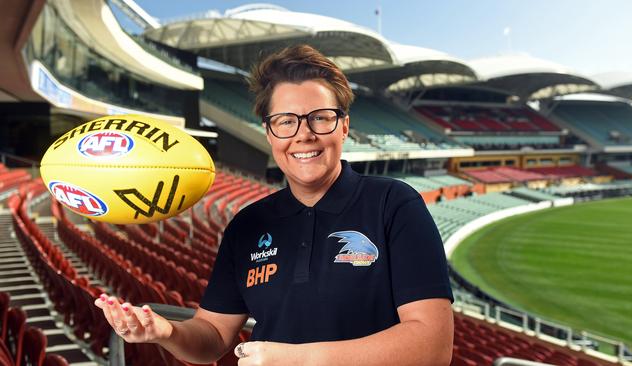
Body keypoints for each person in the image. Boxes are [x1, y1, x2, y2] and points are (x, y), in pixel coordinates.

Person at [95, 44, 454, 366]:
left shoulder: (394, 203)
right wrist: (167, 332)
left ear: (344, 126)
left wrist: (299, 359)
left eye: (321, 117)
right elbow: (213, 337)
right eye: (286, 121)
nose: (304, 134)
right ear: (269, 134)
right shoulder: (247, 225)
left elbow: (432, 344)